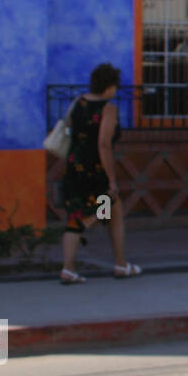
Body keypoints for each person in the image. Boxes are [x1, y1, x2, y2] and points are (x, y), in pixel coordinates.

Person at [60, 63, 142, 284]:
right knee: (103, 207)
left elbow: (69, 128)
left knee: (96, 212)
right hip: (96, 170)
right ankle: (119, 263)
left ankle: (69, 268)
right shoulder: (108, 108)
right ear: (109, 86)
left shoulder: (78, 102)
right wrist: (112, 178)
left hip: (74, 165)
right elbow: (104, 144)